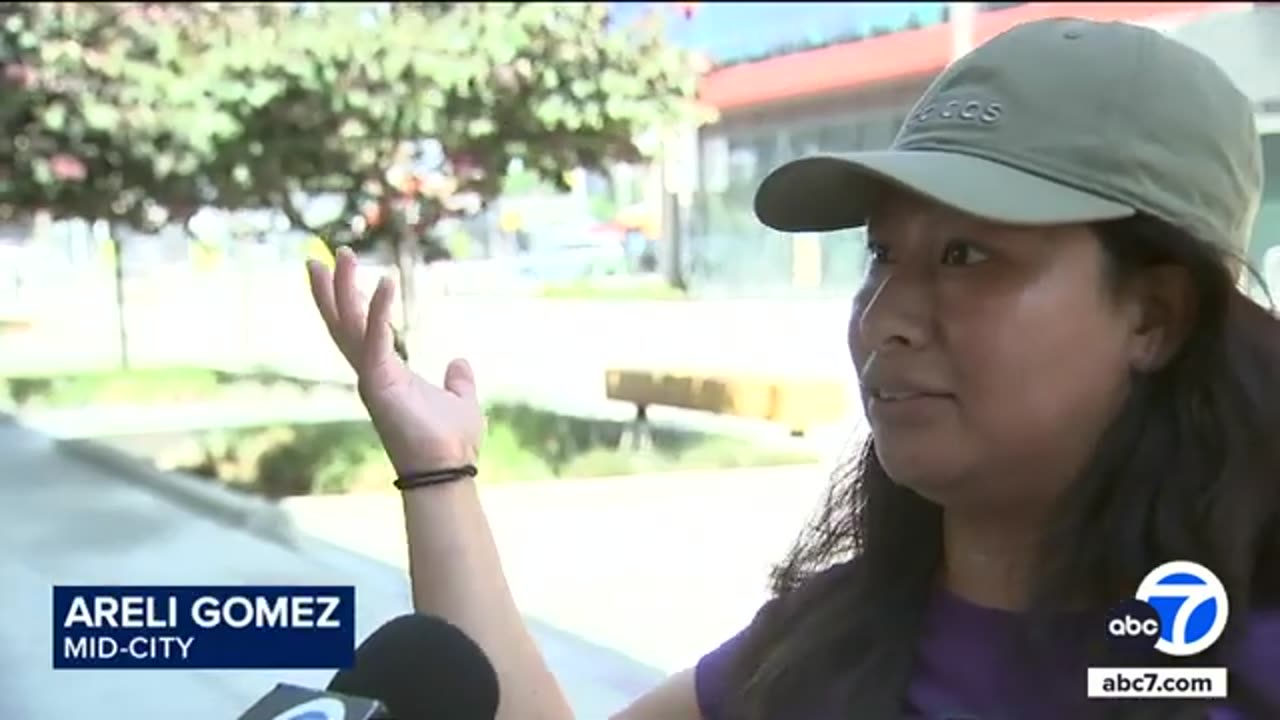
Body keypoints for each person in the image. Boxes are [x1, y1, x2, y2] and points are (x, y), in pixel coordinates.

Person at [305, 17, 1280, 720]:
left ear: (1151, 316)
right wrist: (438, 467)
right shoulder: (827, 637)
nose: (884, 319)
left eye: (965, 256)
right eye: (882, 255)